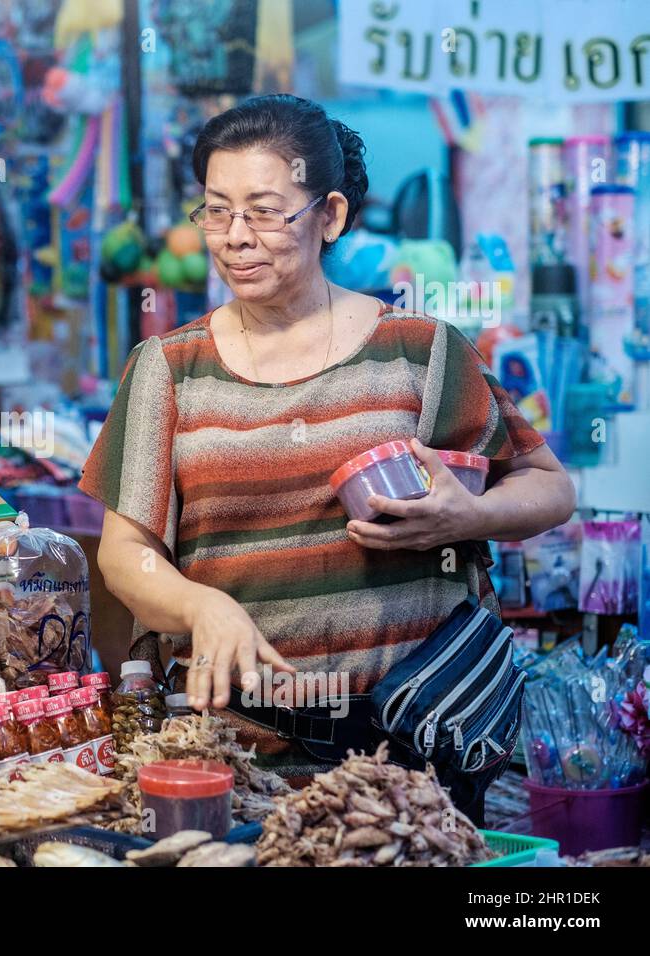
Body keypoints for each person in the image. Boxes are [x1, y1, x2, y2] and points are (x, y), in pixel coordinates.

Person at [80, 95, 575, 805]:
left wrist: (467, 517)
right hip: (240, 765)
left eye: (265, 210)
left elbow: (548, 485)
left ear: (331, 215)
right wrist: (198, 608)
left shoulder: (419, 351)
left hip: (414, 759)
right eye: (216, 211)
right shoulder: (168, 369)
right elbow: (125, 553)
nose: (235, 237)